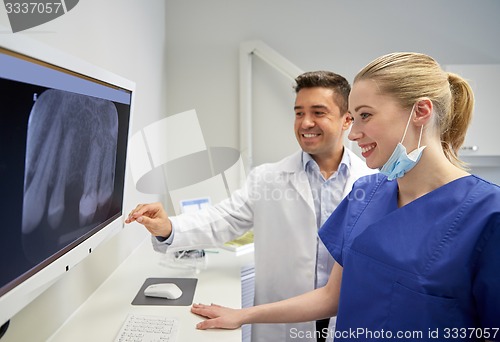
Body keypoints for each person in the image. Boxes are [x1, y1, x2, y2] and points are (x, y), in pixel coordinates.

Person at [189, 52, 500, 341]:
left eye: (365, 115)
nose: (353, 133)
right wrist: (243, 316)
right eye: (354, 116)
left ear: (420, 111)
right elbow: (331, 296)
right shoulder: (365, 195)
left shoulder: (488, 215)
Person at [126, 71, 376, 342]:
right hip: (280, 325)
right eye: (298, 112)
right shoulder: (267, 178)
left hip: (347, 321)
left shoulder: (373, 183)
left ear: (346, 120)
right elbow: (224, 218)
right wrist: (169, 227)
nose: (306, 123)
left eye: (318, 112)